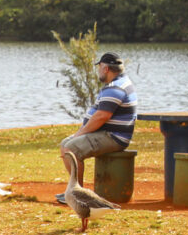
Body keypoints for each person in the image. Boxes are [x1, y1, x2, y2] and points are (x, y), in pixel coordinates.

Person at [56, 51, 137, 204]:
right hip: (109, 133)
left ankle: (77, 195)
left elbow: (102, 116)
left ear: (105, 68)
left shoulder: (115, 88)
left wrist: (79, 133)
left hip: (113, 137)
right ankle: (75, 190)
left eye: (99, 67)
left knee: (71, 149)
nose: (98, 71)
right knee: (64, 144)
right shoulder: (121, 82)